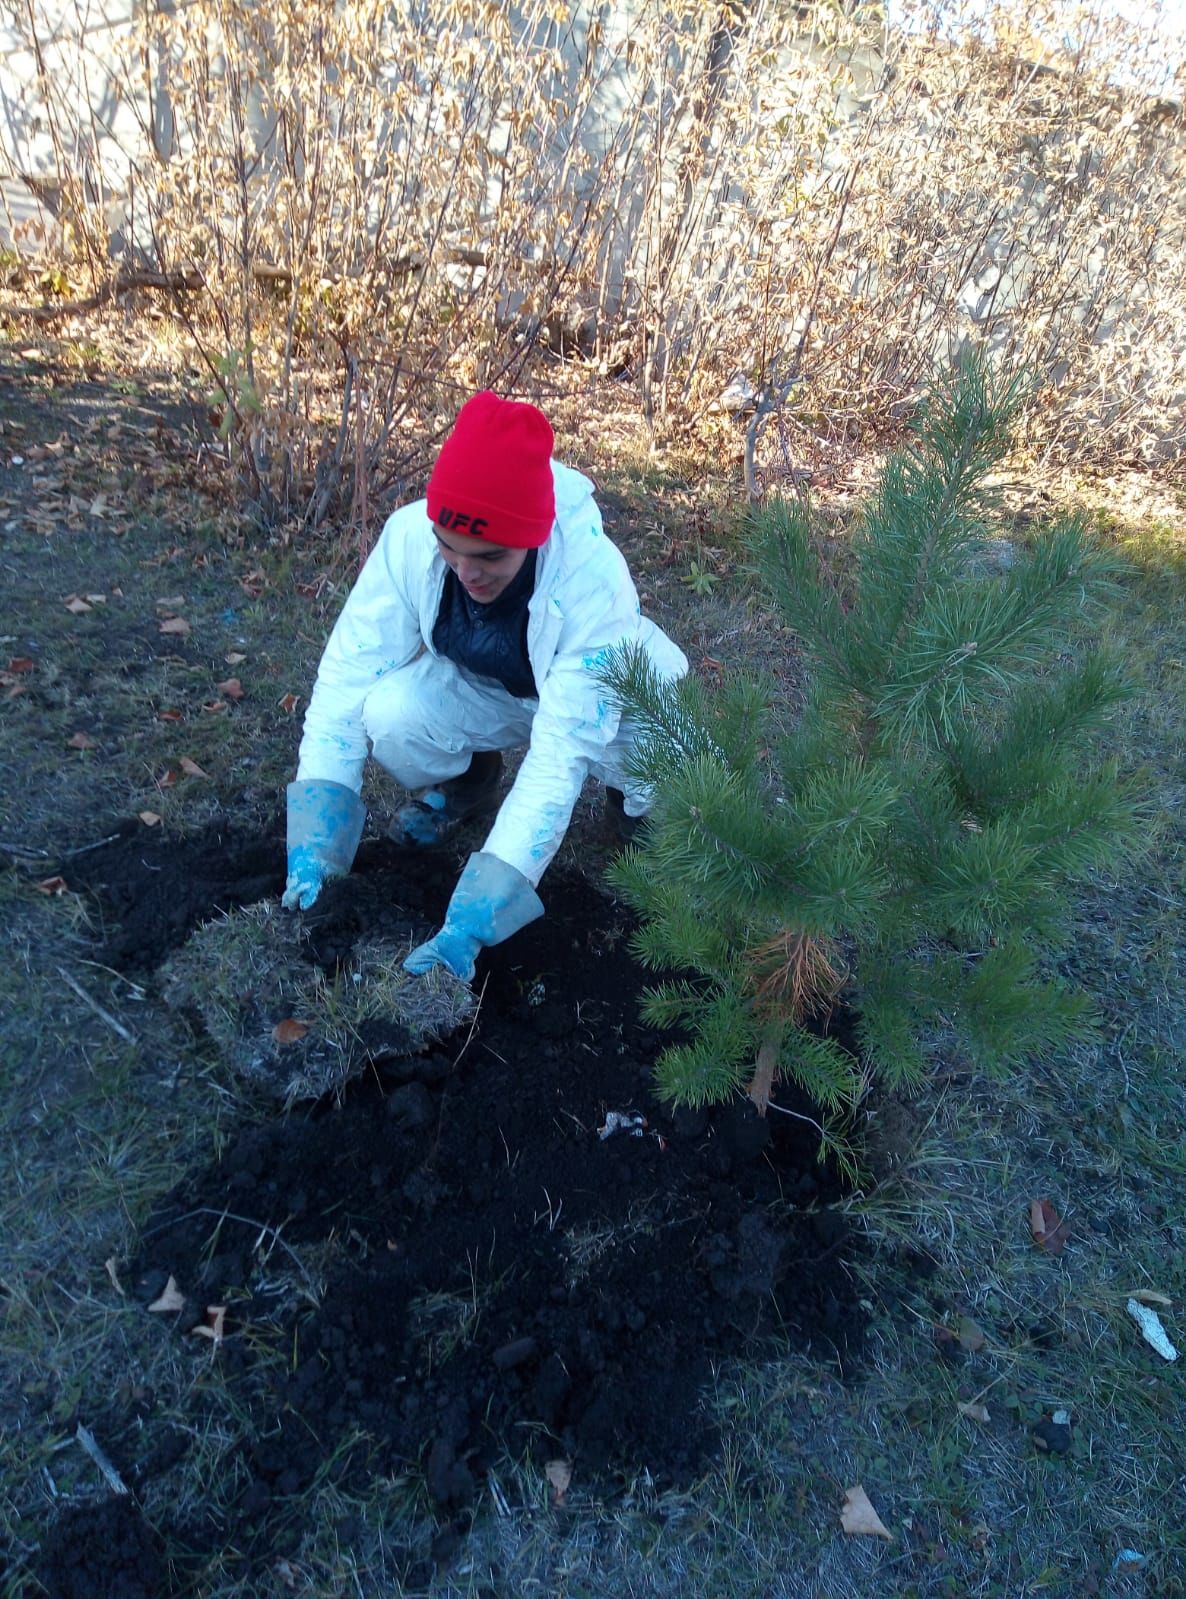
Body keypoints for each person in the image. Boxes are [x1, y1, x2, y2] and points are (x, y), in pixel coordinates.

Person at [282, 390, 687, 980]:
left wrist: (471, 920)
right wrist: (314, 846)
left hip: (610, 702)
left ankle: (631, 815)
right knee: (389, 711)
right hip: (494, 691)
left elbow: (557, 759)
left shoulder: (592, 584)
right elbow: (345, 681)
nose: (466, 571)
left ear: (532, 536)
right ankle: (472, 778)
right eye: (450, 548)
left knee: (670, 752)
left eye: (489, 556)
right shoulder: (407, 541)